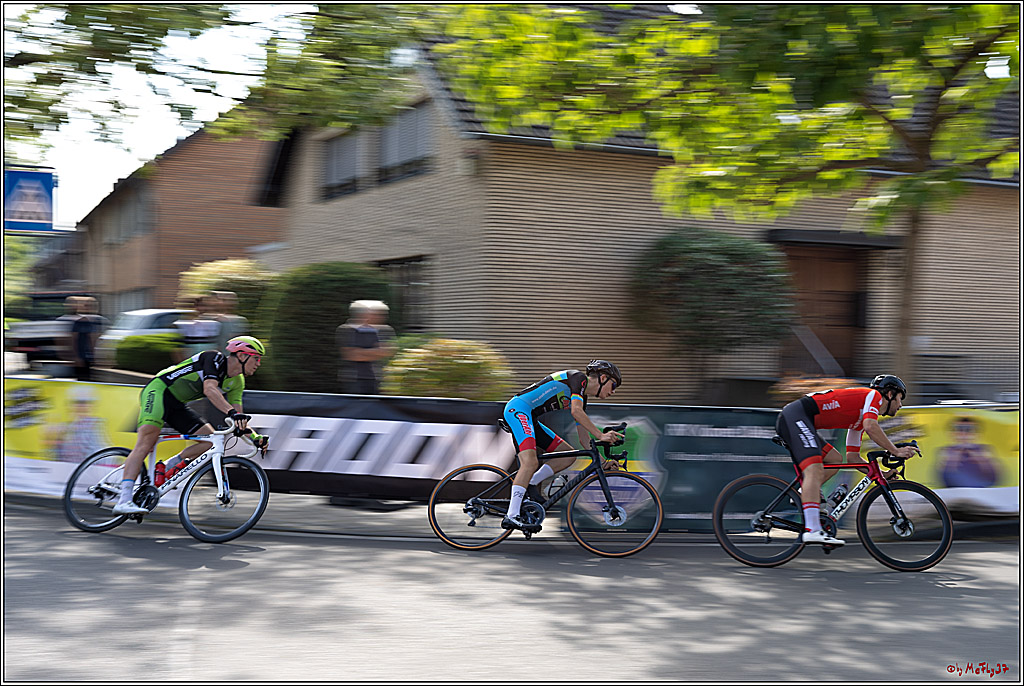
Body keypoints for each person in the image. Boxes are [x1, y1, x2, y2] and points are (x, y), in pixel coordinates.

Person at [112, 336, 268, 514]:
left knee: (208, 442)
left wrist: (255, 438)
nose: (258, 363)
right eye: (256, 358)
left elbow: (239, 417)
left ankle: (166, 468)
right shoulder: (214, 359)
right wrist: (231, 412)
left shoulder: (237, 382)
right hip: (159, 390)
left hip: (177, 405)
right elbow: (209, 389)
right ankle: (123, 500)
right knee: (146, 442)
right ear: (241, 355)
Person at [774, 374, 920, 546]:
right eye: (900, 398)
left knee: (835, 459)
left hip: (802, 420)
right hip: (796, 416)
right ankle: (813, 530)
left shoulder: (860, 418)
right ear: (889, 395)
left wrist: (882, 474)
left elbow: (853, 457)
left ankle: (803, 492)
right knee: (814, 468)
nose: (900, 405)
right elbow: (871, 427)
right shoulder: (873, 396)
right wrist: (895, 451)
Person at [500, 360, 624, 533]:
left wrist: (602, 462)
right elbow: (576, 412)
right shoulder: (578, 378)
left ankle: (531, 483)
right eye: (613, 385)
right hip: (518, 410)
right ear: (603, 378)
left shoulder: (581, 397)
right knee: (530, 462)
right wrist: (601, 435)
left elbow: (583, 438)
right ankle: (512, 515)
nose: (613, 392)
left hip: (529, 416)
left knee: (568, 454)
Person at [336, 300, 396, 394]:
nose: (381, 317)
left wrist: (363, 352)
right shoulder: (347, 329)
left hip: (380, 379)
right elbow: (352, 355)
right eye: (377, 314)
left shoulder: (386, 330)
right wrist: (377, 351)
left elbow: (389, 352)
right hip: (354, 380)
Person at [939, 415, 1000, 488]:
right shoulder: (946, 452)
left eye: (969, 429)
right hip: (954, 494)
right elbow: (943, 480)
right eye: (959, 429)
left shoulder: (985, 450)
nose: (964, 434)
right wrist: (953, 459)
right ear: (952, 433)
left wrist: (982, 460)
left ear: (977, 433)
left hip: (983, 493)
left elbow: (995, 479)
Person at [70, 296, 107, 381]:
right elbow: (74, 340)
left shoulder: (100, 321)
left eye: (92, 305)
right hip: (83, 358)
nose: (89, 308)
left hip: (95, 358)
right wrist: (76, 357)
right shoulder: (80, 321)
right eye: (87, 305)